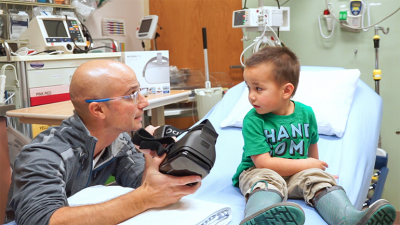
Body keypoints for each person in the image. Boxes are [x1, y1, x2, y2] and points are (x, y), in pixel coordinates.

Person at [4, 60, 201, 225]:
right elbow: (43, 220)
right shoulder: (44, 155)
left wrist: (154, 161)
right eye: (132, 95)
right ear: (98, 110)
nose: (144, 102)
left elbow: (140, 185)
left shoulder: (118, 139)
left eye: (140, 92)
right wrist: (144, 198)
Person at [232, 46, 396, 225]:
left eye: (258, 89)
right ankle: (258, 216)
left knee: (319, 181)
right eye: (248, 88)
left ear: (286, 91)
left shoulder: (306, 113)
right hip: (261, 171)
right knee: (265, 182)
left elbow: (312, 151)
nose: (251, 97)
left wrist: (315, 171)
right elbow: (263, 163)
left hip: (297, 174)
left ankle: (348, 218)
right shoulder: (253, 120)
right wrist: (306, 164)